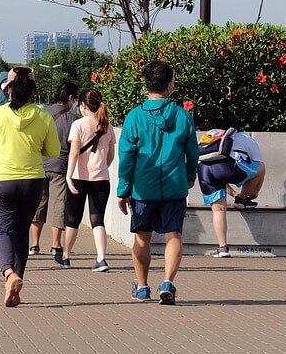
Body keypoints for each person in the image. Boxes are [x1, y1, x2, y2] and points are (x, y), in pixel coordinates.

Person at [117, 60, 199, 305]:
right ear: (170, 83)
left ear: (146, 84)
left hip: (143, 187)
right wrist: (190, 175)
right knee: (173, 235)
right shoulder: (183, 116)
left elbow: (126, 156)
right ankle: (167, 282)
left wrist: (123, 189)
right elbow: (193, 153)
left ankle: (142, 287)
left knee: (142, 237)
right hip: (174, 184)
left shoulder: (134, 117)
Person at [0, 67, 58, 307]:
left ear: (9, 89)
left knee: (2, 230)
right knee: (22, 233)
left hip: (2, 180)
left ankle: (9, 273)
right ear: (33, 91)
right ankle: (16, 283)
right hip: (33, 181)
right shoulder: (43, 117)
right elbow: (52, 151)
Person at [64, 88, 115, 271]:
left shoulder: (78, 125)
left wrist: (68, 176)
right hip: (101, 179)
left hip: (79, 177)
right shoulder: (106, 125)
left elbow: (74, 153)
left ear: (83, 105)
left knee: (72, 218)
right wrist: (101, 167)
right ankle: (101, 259)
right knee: (97, 219)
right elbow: (111, 155)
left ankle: (66, 256)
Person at [32, 81, 79, 265]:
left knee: (39, 203)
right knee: (59, 204)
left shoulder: (42, 114)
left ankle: (34, 244)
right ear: (70, 98)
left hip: (40, 164)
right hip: (60, 166)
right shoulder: (72, 119)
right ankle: (56, 244)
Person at [196, 129, 264, 258]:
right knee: (261, 168)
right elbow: (259, 164)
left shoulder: (211, 135)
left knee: (219, 210)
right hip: (228, 167)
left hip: (204, 170)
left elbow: (217, 174)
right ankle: (242, 200)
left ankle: (222, 248)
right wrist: (254, 192)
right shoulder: (245, 138)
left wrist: (232, 193)